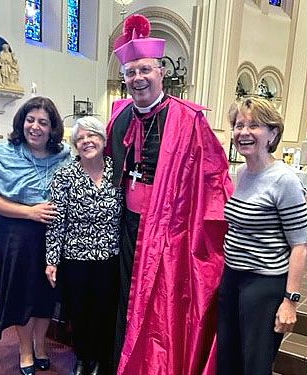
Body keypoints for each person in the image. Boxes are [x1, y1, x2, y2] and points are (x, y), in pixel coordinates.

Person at [106, 14, 234, 375]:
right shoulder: (119, 115)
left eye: (145, 70)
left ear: (161, 71)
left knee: (160, 307)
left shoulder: (189, 118)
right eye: (131, 72)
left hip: (170, 234)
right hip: (127, 227)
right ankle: (122, 361)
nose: (138, 78)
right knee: (125, 299)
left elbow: (213, 179)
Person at [0, 96, 72, 375]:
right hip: (17, 233)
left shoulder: (64, 154)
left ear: (52, 127)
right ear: (21, 122)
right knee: (23, 294)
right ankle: (25, 350)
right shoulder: (5, 153)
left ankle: (41, 345)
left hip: (53, 233)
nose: (35, 127)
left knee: (46, 293)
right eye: (30, 120)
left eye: (43, 122)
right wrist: (29, 212)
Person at [218, 97, 307, 375]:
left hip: (264, 285)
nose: (243, 132)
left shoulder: (285, 179)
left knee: (254, 366)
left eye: (254, 125)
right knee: (227, 360)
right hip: (233, 278)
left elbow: (301, 244)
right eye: (238, 125)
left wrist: (290, 301)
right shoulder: (242, 172)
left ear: (273, 133)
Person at [45, 116, 123, 375]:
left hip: (110, 257)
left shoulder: (119, 170)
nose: (87, 141)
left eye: (93, 135)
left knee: (105, 311)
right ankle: (81, 358)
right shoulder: (65, 175)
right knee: (79, 312)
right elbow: (56, 222)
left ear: (103, 139)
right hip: (76, 257)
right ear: (75, 144)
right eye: (81, 138)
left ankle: (100, 360)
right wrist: (52, 260)